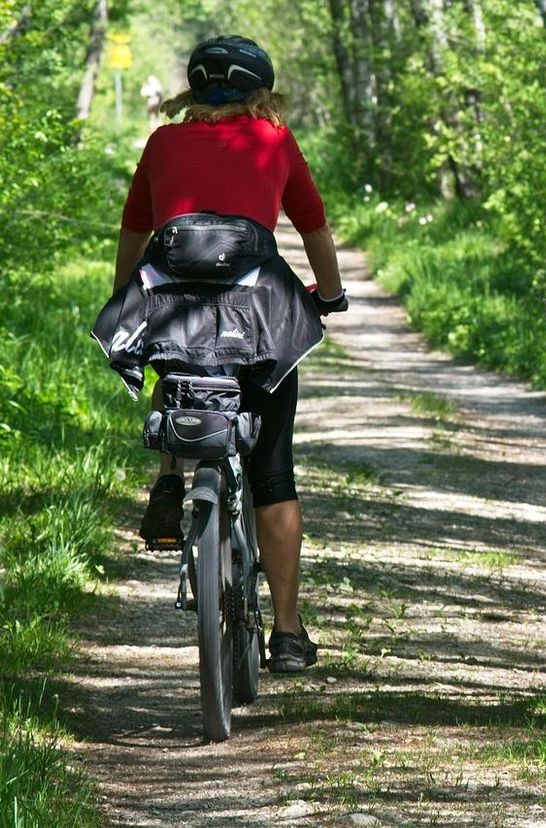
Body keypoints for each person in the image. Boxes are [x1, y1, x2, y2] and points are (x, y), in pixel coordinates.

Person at [105, 35, 347, 672]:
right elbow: (312, 226)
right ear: (259, 91)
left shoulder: (161, 143)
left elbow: (135, 234)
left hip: (173, 301)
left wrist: (125, 295)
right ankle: (289, 632)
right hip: (257, 310)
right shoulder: (273, 140)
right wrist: (334, 294)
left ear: (194, 88)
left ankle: (167, 479)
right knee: (273, 474)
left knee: (175, 353)